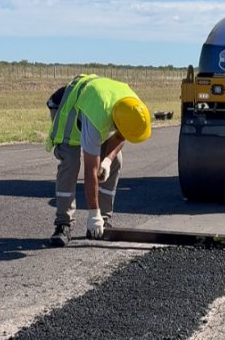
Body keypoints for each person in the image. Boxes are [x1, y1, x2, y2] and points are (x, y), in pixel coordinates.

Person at [44, 74, 152, 246]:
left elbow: (122, 134)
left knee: (117, 160)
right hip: (66, 108)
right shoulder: (97, 117)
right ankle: (63, 224)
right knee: (70, 163)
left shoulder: (133, 105)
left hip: (96, 107)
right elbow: (90, 171)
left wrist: (108, 160)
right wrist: (92, 213)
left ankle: (104, 219)